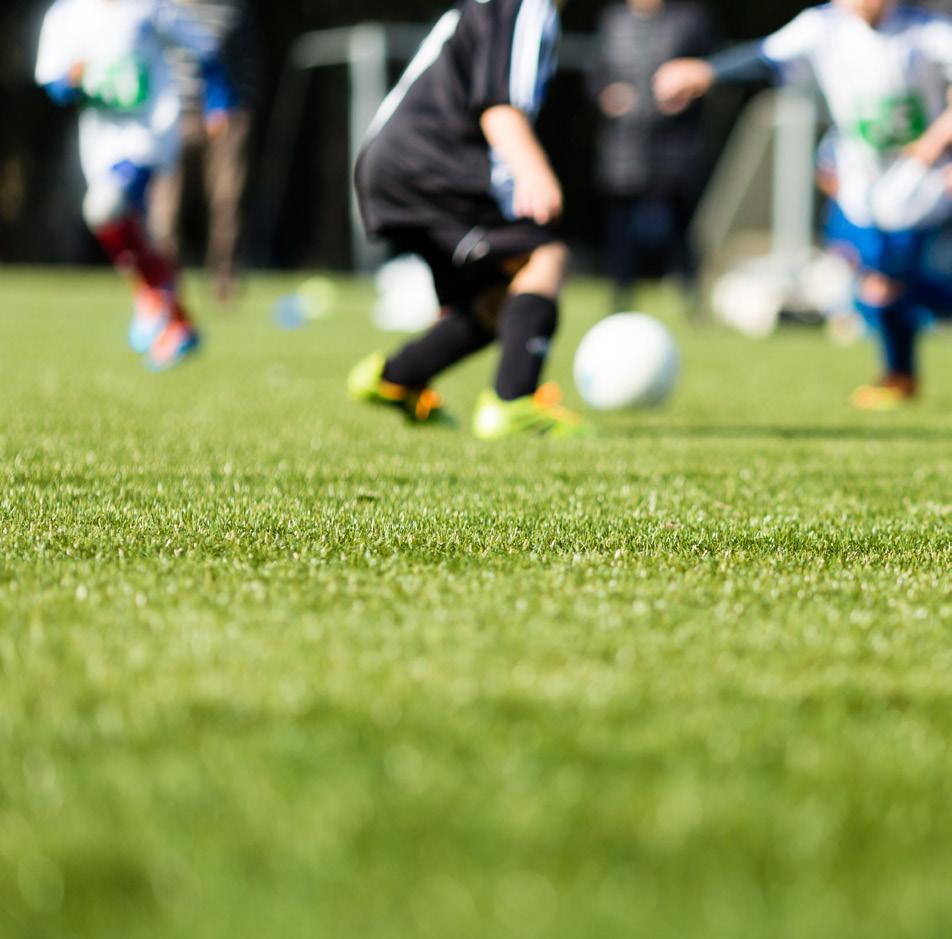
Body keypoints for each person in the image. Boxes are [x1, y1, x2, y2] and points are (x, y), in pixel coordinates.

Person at [654, 0, 952, 410]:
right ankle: (899, 376)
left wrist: (938, 139)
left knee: (887, 282)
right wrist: (705, 72)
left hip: (921, 181)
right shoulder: (822, 27)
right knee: (871, 277)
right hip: (859, 183)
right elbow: (765, 59)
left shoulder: (926, 30)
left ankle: (898, 375)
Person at [348, 0, 589, 439]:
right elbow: (498, 104)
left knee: (496, 298)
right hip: (430, 164)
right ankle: (513, 402)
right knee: (545, 258)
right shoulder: (526, 6)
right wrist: (533, 170)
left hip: (392, 165)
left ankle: (394, 378)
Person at [35, 0, 233, 370]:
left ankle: (154, 299)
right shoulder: (65, 15)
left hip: (150, 135)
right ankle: (175, 319)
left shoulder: (148, 7)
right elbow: (53, 83)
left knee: (106, 207)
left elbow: (204, 48)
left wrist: (219, 103)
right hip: (100, 143)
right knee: (127, 229)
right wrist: (72, 79)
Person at [590, 0, 714, 312]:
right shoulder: (613, 20)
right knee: (620, 229)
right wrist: (607, 93)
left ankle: (690, 296)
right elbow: (597, 73)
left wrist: (687, 94)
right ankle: (620, 298)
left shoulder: (689, 19)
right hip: (624, 144)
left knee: (681, 227)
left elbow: (708, 69)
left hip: (675, 145)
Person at [149, 0, 260, 305]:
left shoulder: (231, 9)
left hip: (226, 116)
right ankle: (162, 285)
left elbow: (248, 62)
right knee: (165, 205)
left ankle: (226, 281)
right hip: (173, 115)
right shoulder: (160, 8)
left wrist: (234, 109)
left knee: (227, 200)